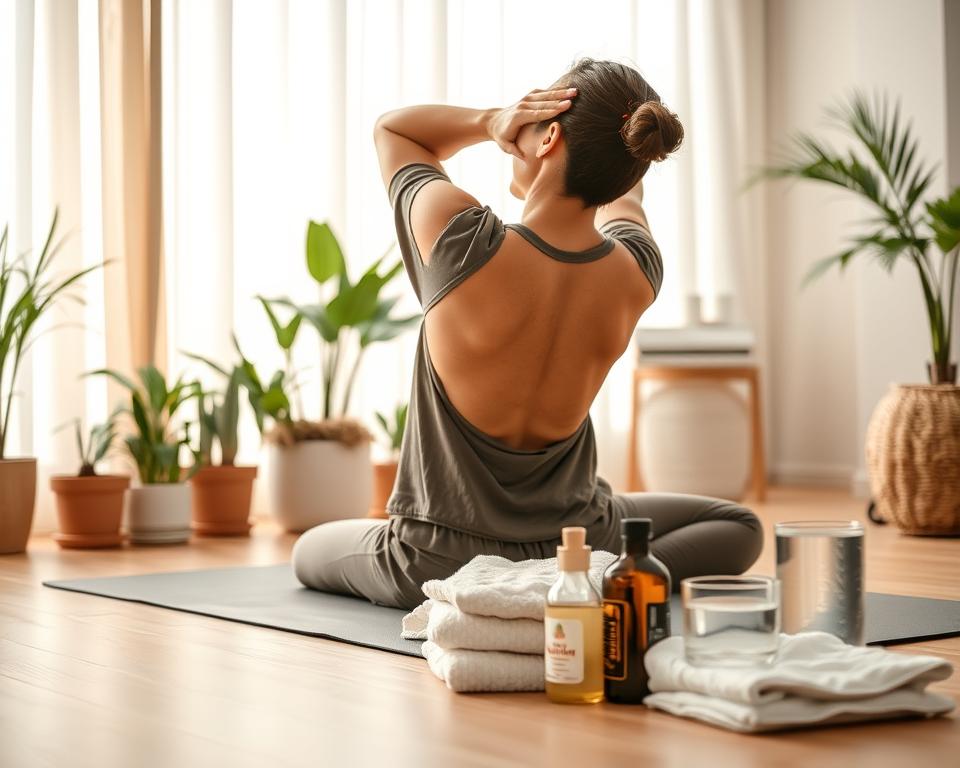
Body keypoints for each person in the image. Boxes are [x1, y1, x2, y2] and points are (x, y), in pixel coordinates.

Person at [293, 58, 762, 610]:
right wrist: (576, 149)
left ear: (550, 134)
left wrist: (493, 120)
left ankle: (526, 586)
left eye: (532, 120)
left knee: (307, 551)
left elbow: (396, 130)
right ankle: (598, 581)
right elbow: (622, 198)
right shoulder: (637, 270)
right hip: (578, 544)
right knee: (738, 525)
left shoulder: (462, 239)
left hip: (435, 561)